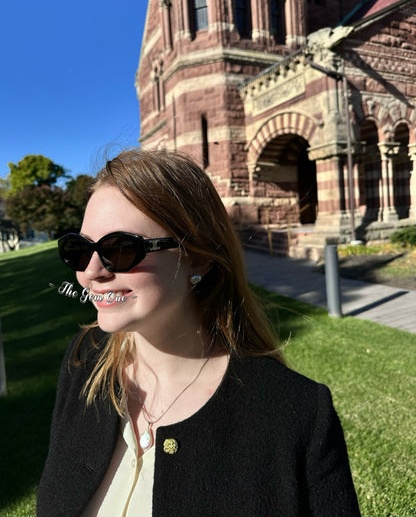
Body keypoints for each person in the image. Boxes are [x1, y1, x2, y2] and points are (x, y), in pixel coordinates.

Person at [37, 149, 361, 517]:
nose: (90, 272)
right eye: (79, 250)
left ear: (199, 257)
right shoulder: (84, 362)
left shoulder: (296, 414)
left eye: (121, 249)